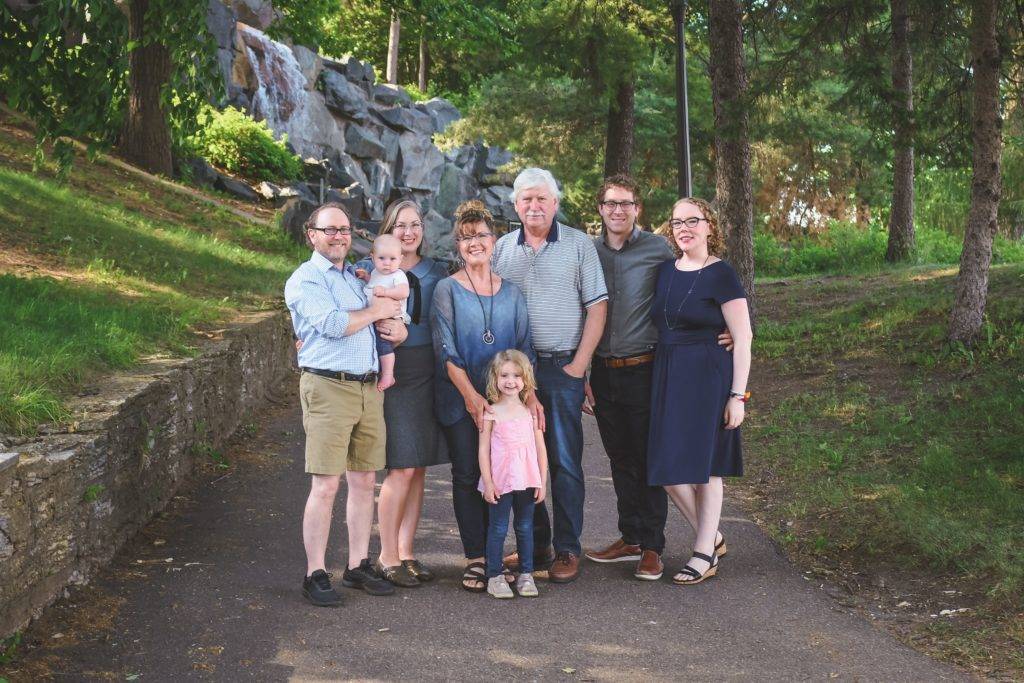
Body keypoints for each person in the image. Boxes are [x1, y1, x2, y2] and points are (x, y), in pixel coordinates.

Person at [585, 175, 733, 582]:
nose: (618, 210)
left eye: (626, 203)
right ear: (600, 209)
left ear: (638, 209)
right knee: (620, 458)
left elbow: (699, 282)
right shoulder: (586, 251)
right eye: (611, 203)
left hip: (647, 367)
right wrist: (581, 370)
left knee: (651, 457)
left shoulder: (658, 249)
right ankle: (631, 537)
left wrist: (729, 331)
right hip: (602, 369)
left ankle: (652, 546)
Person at [284, 202, 407, 606]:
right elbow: (336, 325)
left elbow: (387, 321)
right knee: (326, 484)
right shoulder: (306, 280)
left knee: (364, 481)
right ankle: (315, 572)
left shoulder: (355, 278)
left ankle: (357, 565)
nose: (339, 236)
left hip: (368, 388)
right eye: (330, 229)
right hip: (327, 387)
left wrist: (395, 327)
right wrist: (375, 312)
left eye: (344, 229)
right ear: (312, 235)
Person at [492, 168, 608, 583]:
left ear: (555, 203)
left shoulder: (578, 245)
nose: (534, 206)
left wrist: (580, 365)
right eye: (526, 200)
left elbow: (597, 307)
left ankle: (567, 549)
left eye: (542, 199)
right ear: (516, 205)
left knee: (563, 460)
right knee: (520, 458)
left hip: (563, 367)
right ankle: (535, 545)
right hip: (515, 373)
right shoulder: (501, 249)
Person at [431, 200, 539, 592]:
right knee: (469, 475)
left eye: (481, 235)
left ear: (494, 241)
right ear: (457, 245)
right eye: (465, 237)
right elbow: (446, 352)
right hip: (461, 400)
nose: (474, 242)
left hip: (506, 405)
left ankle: (499, 559)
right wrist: (474, 400)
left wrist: (530, 398)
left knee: (507, 478)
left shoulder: (511, 293)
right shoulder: (447, 290)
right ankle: (476, 557)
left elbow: (525, 349)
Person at [647, 197, 752, 586]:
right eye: (677, 222)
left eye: (693, 220)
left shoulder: (722, 274)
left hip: (709, 376)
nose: (684, 228)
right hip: (669, 373)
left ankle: (703, 552)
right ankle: (713, 535)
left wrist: (737, 396)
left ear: (710, 226)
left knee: (705, 468)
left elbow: (742, 338)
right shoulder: (664, 271)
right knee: (668, 468)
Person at [355, 199, 450, 588]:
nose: (408, 232)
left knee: (419, 466)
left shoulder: (436, 273)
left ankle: (407, 551)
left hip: (429, 373)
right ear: (388, 231)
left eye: (414, 225)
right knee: (401, 465)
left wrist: (413, 332)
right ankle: (386, 555)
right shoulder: (374, 271)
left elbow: (442, 326)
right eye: (400, 225)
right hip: (396, 375)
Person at [478, 350, 548, 599]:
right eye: (504, 375)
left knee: (525, 526)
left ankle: (526, 575)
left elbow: (541, 449)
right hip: (500, 480)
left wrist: (542, 481)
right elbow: (483, 450)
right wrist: (487, 482)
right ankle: (495, 575)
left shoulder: (531, 413)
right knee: (497, 528)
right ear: (495, 378)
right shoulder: (491, 413)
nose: (510, 381)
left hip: (527, 478)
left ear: (525, 378)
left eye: (516, 375)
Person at [363, 233, 411, 392]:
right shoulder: (376, 273)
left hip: (391, 318)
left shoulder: (398, 275)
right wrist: (366, 278)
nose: (387, 263)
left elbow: (404, 292)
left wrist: (386, 292)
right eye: (382, 258)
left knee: (383, 344)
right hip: (375, 316)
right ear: (372, 257)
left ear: (401, 259)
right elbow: (373, 284)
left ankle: (388, 375)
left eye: (392, 259)